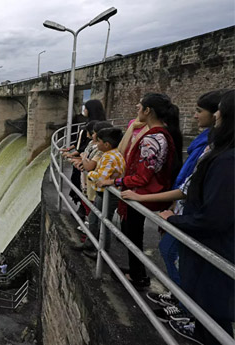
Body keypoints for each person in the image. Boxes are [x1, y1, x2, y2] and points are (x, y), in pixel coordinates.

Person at [121, 90, 223, 311]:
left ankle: (184, 304)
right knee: (175, 253)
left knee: (172, 252)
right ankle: (179, 298)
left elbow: (144, 175)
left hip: (179, 207)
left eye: (198, 111)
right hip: (177, 202)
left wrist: (121, 181)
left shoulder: (155, 137)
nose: (195, 115)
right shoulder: (177, 137)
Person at [160, 90, 234, 345]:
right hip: (216, 247)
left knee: (213, 308)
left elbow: (214, 218)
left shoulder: (226, 161)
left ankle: (194, 319)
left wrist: (175, 220)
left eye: (219, 110)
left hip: (216, 248)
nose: (216, 115)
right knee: (212, 310)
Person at [99, 93, 183, 288]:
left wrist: (115, 181)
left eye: (140, 106)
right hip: (145, 192)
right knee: (132, 233)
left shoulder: (152, 139)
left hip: (140, 194)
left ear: (148, 111)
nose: (137, 108)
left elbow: (142, 177)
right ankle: (137, 271)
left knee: (133, 234)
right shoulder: (163, 133)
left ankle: (138, 276)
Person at [74, 127, 125, 259]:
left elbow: (100, 178)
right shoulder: (112, 154)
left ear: (106, 144)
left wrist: (89, 173)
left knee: (104, 223)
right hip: (102, 194)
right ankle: (89, 244)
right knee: (93, 219)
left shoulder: (109, 157)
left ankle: (103, 253)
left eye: (99, 142)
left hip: (108, 196)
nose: (97, 144)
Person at [64, 100, 107, 219]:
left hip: (87, 166)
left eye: (86, 108)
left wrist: (77, 156)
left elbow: (83, 148)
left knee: (86, 190)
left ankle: (84, 213)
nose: (84, 111)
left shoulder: (91, 127)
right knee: (88, 193)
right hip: (90, 165)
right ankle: (84, 211)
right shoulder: (103, 125)